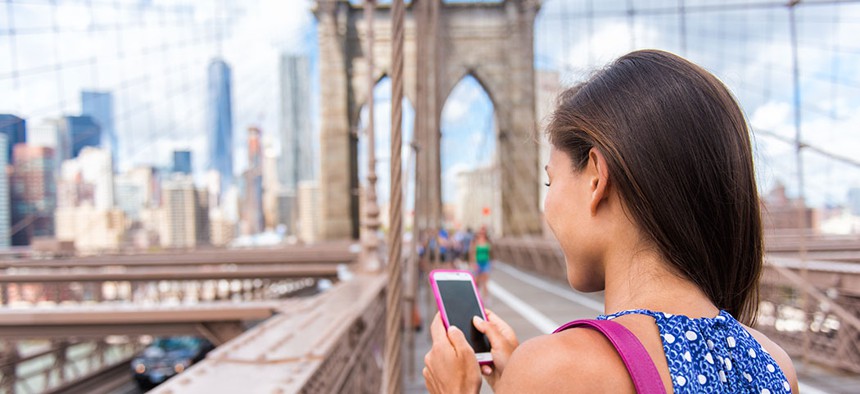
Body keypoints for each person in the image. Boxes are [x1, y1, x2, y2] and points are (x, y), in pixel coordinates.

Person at [423, 50, 799, 393]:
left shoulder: (555, 369)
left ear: (596, 180)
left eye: (550, 181)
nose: (548, 203)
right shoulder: (776, 364)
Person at [470, 227, 492, 301]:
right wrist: (473, 263)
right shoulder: (475, 242)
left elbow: (490, 252)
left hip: (486, 263)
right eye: (481, 233)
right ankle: (476, 297)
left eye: (483, 233)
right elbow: (472, 253)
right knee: (477, 281)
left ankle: (486, 298)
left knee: (485, 281)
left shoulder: (488, 242)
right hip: (478, 263)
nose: (482, 234)